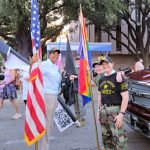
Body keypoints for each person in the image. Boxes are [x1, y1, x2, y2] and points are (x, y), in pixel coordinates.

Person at [31, 47, 61, 150]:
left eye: (57, 54)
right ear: (49, 55)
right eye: (53, 54)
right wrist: (32, 63)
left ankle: (44, 147)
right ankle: (43, 148)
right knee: (46, 125)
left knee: (49, 125)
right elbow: (33, 74)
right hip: (46, 96)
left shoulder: (55, 66)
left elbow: (55, 84)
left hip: (53, 97)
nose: (55, 56)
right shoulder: (44, 64)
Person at [98, 56, 129, 150]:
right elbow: (100, 95)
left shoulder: (119, 78)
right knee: (107, 138)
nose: (105, 66)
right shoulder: (101, 79)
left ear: (113, 64)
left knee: (120, 140)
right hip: (103, 111)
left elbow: (125, 97)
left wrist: (121, 114)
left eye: (107, 63)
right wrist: (98, 110)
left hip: (115, 111)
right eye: (103, 64)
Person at [70, 56, 86, 127]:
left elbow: (85, 77)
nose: (78, 61)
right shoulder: (73, 69)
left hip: (81, 89)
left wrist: (77, 77)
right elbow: (69, 77)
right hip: (74, 89)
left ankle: (82, 119)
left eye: (79, 60)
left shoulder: (83, 69)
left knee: (81, 104)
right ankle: (76, 119)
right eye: (77, 60)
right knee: (75, 105)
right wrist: (71, 77)